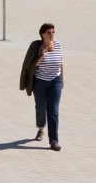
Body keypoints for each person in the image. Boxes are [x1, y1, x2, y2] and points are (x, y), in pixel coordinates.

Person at [26, 22, 63, 151]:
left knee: (53, 110)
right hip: (40, 82)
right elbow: (31, 66)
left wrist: (62, 80)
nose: (52, 34)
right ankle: (41, 128)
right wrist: (42, 56)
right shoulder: (37, 47)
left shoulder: (58, 45)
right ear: (42, 34)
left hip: (55, 82)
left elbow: (60, 62)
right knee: (41, 107)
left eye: (53, 31)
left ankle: (54, 140)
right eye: (49, 32)